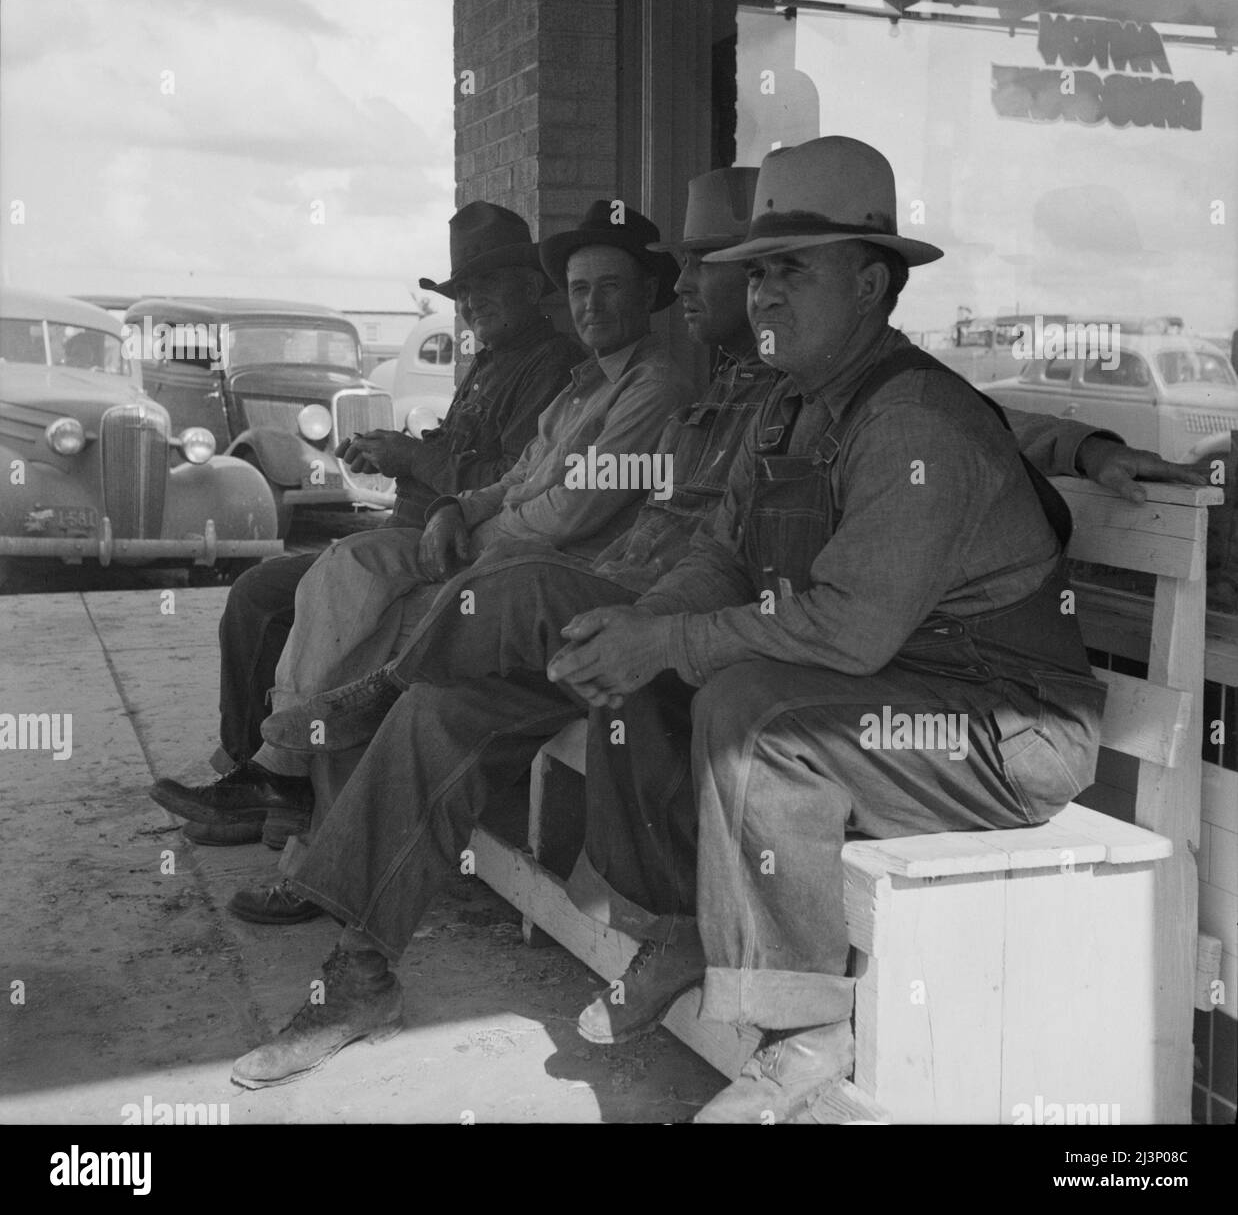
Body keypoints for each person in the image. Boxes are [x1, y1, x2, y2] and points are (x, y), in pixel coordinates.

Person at [222, 154, 1202, 1091]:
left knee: (531, 597)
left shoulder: (845, 395)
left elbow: (964, 428)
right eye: (719, 265)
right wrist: (641, 625)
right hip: (676, 622)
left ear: (861, 284)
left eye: (737, 265)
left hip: (828, 672)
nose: (701, 283)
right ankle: (358, 967)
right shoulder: (764, 389)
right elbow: (716, 549)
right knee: (457, 699)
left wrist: (1088, 442)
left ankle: (677, 924)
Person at [150, 199, 692, 887]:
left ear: (648, 293)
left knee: (368, 632)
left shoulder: (649, 387)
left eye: (610, 287)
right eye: (581, 288)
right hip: (476, 544)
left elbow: (569, 512)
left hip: (544, 575)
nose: (590, 304)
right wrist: (455, 510)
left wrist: (465, 515)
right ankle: (280, 778)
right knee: (346, 570)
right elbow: (519, 477)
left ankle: (305, 823)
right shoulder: (581, 383)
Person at [183, 201, 584, 849]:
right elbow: (463, 456)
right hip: (407, 533)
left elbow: (510, 482)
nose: (470, 301)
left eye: (484, 284)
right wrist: (398, 448)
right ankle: (253, 780)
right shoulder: (489, 361)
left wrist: (413, 457)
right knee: (263, 592)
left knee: (268, 598)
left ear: (532, 285)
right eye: (461, 291)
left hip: (448, 555)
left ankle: (267, 783)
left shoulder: (551, 366)